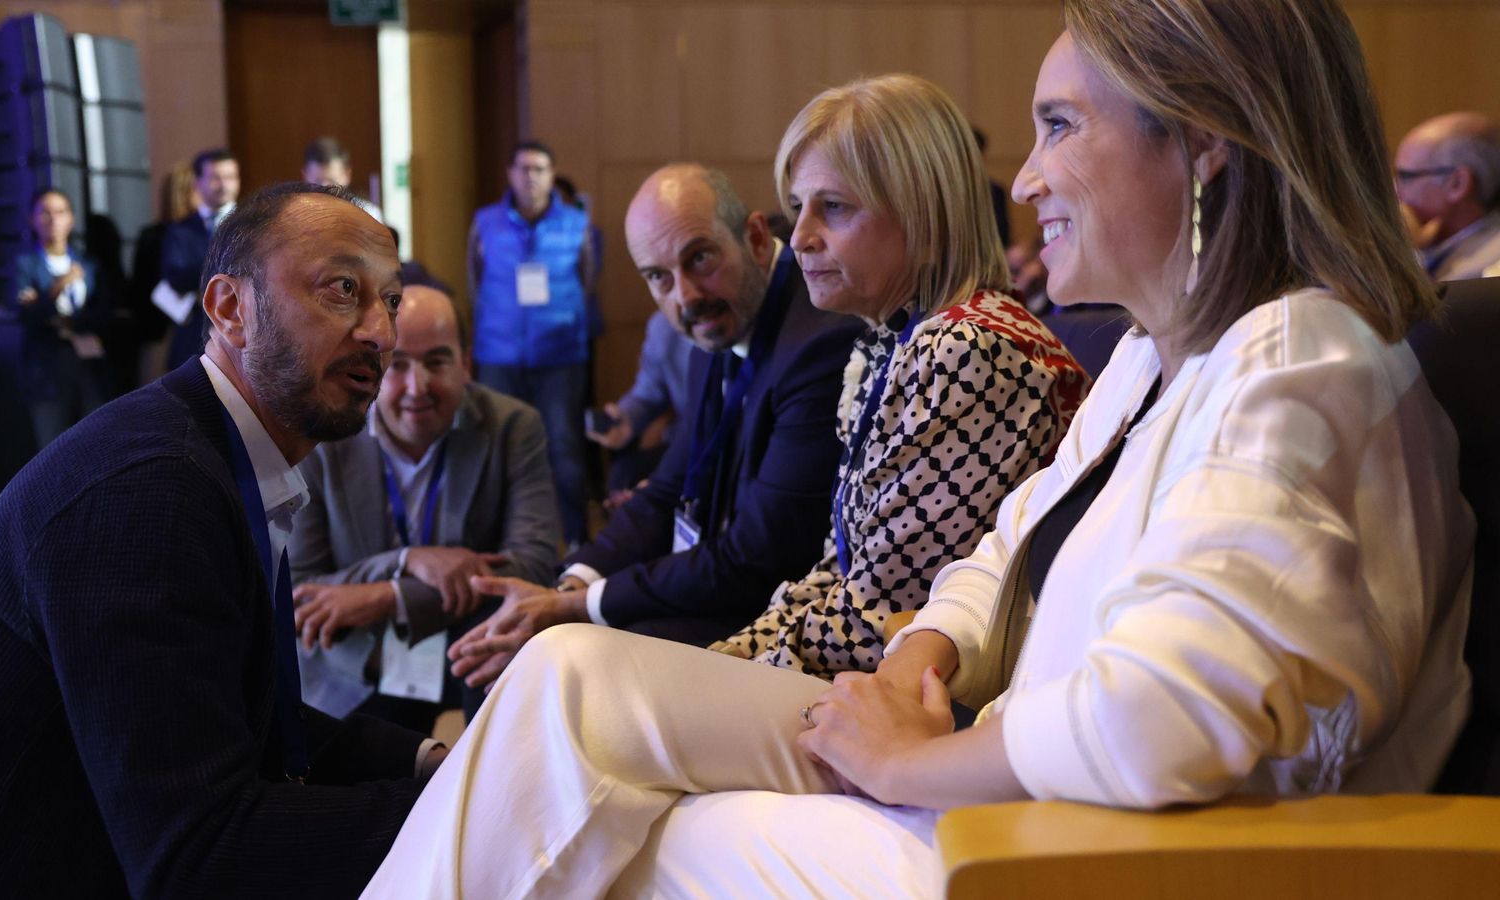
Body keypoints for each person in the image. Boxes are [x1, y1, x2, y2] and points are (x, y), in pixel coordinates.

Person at [363, 1, 1474, 895]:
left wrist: (903, 758)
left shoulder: (1300, 364)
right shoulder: (1155, 357)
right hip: (1006, 784)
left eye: (1058, 125)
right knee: (572, 687)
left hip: (1101, 856)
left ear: (1201, 144)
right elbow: (1003, 548)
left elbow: (1159, 719)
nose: (1027, 178)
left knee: (616, 821)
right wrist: (919, 659)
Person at [0, 183, 442, 897]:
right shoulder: (152, 490)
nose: (380, 330)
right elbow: (200, 857)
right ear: (228, 309)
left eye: (391, 299)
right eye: (343, 289)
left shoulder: (207, 448)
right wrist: (468, 809)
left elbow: (241, 711)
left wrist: (430, 763)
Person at [712, 74, 1089, 679]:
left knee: (580, 678)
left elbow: (879, 620)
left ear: (924, 215)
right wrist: (725, 658)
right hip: (868, 681)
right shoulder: (897, 338)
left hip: (957, 710)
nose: (801, 236)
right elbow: (841, 573)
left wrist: (719, 674)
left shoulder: (970, 351)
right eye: (797, 208)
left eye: (832, 207)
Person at [444, 164, 862, 690]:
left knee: (556, 668)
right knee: (511, 651)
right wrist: (572, 581)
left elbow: (758, 556)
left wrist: (576, 607)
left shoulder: (816, 344)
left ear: (755, 239)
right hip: (725, 585)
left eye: (701, 258)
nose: (684, 296)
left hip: (784, 617)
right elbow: (667, 489)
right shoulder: (719, 318)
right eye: (658, 277)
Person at [290, 283, 560, 730]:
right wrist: (408, 561)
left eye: (437, 361)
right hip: (356, 659)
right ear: (371, 367)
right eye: (397, 365)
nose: (418, 387)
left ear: (466, 363)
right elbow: (303, 591)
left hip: (467, 648)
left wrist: (386, 595)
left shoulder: (514, 426)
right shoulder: (321, 438)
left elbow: (531, 566)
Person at [466, 140, 595, 544]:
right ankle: (498, 540)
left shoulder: (577, 222)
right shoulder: (486, 222)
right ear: (510, 174)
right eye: (523, 169)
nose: (531, 177)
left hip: (559, 355)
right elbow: (475, 281)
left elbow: (587, 280)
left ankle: (575, 541)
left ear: (552, 175)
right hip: (498, 353)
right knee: (494, 448)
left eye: (539, 169)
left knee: (565, 447)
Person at [13, 188, 111, 448]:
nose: (53, 220)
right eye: (45, 213)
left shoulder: (88, 264)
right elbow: (27, 315)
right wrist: (58, 286)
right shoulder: (26, 264)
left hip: (87, 368)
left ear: (71, 219)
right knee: (52, 449)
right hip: (46, 371)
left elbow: (102, 312)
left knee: (95, 445)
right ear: (32, 219)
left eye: (60, 212)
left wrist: (68, 321)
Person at [586, 309, 691, 503]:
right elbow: (648, 394)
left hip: (726, 445)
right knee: (623, 478)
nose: (683, 292)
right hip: (682, 443)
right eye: (659, 277)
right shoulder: (663, 326)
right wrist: (626, 418)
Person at [1394, 112, 1500, 280]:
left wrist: (1400, 251)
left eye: (1405, 177)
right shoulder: (1431, 244)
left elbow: (1410, 305)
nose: (1395, 190)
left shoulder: (1485, 270)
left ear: (1457, 184)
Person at [161, 147, 240, 370]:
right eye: (216, 178)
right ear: (198, 183)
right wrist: (226, 268)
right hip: (192, 339)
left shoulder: (252, 227)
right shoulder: (180, 230)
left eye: (230, 177)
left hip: (240, 338)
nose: (224, 185)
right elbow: (175, 277)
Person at [129, 161, 200, 385]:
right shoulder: (156, 237)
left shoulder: (199, 232)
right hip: (163, 332)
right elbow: (145, 287)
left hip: (188, 331)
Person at [303, 136, 386, 223]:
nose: (324, 187)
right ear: (305, 175)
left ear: (347, 175)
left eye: (332, 181)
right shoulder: (295, 216)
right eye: (317, 181)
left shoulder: (369, 214)